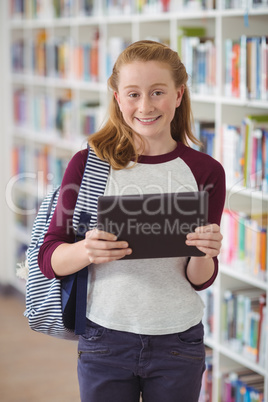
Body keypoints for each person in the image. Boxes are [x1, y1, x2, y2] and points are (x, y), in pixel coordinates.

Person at [38, 40, 225, 402]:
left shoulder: (205, 171)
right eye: (133, 93)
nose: (145, 106)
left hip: (178, 341)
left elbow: (200, 279)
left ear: (178, 94)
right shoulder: (88, 165)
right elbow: (49, 259)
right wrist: (86, 251)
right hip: (105, 339)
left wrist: (205, 253)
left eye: (158, 92)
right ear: (117, 97)